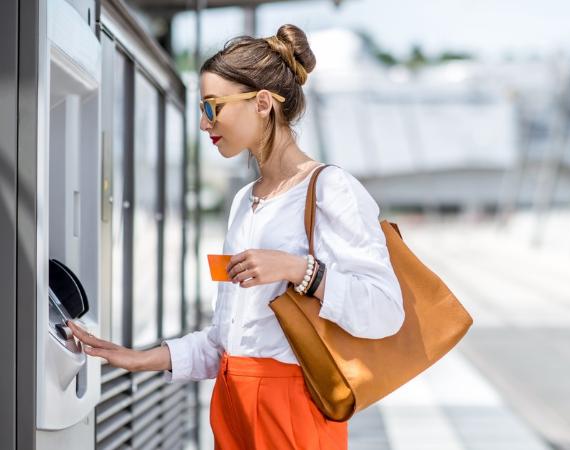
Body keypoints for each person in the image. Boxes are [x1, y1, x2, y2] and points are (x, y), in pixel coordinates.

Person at [68, 23, 405, 450]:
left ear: (263, 103)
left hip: (292, 409)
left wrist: (299, 270)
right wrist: (137, 358)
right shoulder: (246, 201)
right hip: (230, 401)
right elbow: (226, 341)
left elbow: (386, 311)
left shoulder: (330, 190)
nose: (204, 123)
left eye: (213, 107)